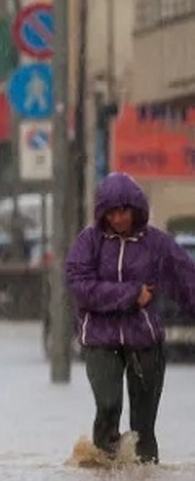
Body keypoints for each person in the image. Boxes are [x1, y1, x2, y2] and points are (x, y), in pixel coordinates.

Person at [64, 172, 195, 464]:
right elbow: (80, 286)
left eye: (123, 211)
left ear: (135, 209)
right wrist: (131, 295)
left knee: (143, 426)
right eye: (111, 212)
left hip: (145, 340)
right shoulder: (89, 242)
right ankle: (103, 469)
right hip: (100, 338)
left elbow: (187, 281)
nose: (118, 218)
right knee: (108, 405)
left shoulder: (158, 245)